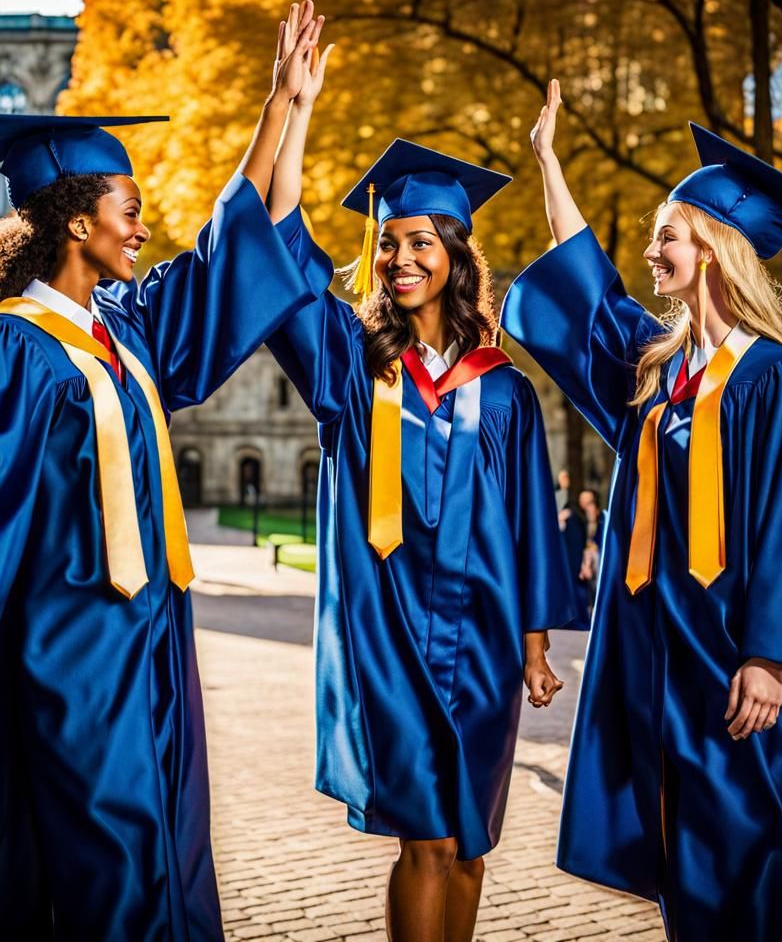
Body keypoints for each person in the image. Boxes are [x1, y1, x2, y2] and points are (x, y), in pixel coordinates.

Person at [0, 2, 332, 941]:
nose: (145, 228)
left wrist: (287, 108)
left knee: (157, 841)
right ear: (76, 219)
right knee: (100, 843)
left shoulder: (129, 335)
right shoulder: (6, 347)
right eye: (131, 210)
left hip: (151, 632)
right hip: (64, 642)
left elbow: (242, 249)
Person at [501, 79, 782, 941]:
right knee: (675, 856)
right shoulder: (656, 368)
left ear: (714, 247)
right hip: (654, 649)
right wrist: (549, 161)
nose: (652, 247)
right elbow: (586, 289)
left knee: (744, 853)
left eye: (668, 234)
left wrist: (773, 657)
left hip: (738, 658)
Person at [262, 52, 584, 942]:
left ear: (454, 255)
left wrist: (534, 646)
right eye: (389, 243)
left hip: (484, 643)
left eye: (420, 242)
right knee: (428, 842)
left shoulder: (505, 389)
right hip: (391, 637)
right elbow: (282, 244)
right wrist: (294, 111)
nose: (400, 258)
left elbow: (527, 524)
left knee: (473, 845)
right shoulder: (352, 363)